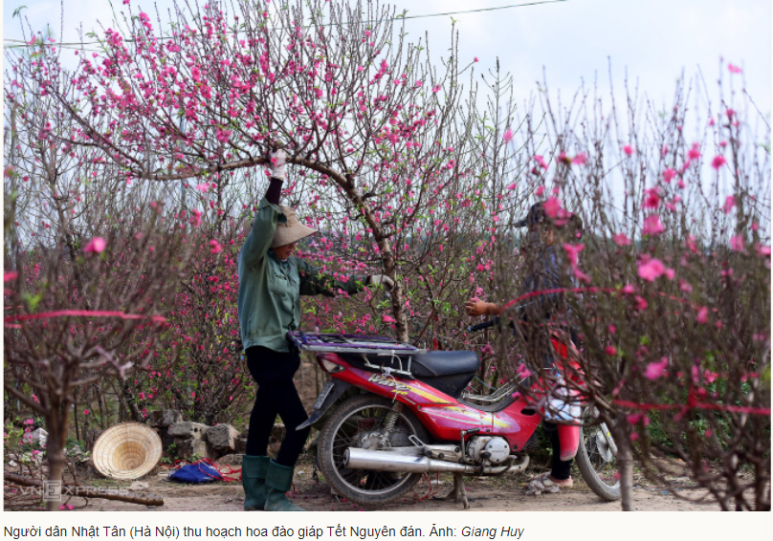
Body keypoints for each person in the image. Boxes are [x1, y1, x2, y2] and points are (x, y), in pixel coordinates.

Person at [238, 149, 394, 511]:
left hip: (287, 352)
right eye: (288, 238)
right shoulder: (255, 261)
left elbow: (329, 282)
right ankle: (276, 496)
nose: (294, 243)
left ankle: (255, 496)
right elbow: (263, 223)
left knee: (261, 420)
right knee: (298, 424)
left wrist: (368, 280)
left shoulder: (293, 266)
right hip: (264, 352)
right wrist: (276, 178)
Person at [465, 201, 579, 491]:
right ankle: (559, 474)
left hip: (555, 342)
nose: (532, 233)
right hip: (552, 338)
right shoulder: (554, 257)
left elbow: (540, 303)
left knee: (556, 403)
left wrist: (490, 308)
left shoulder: (553, 258)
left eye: (534, 227)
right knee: (551, 403)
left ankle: (561, 476)